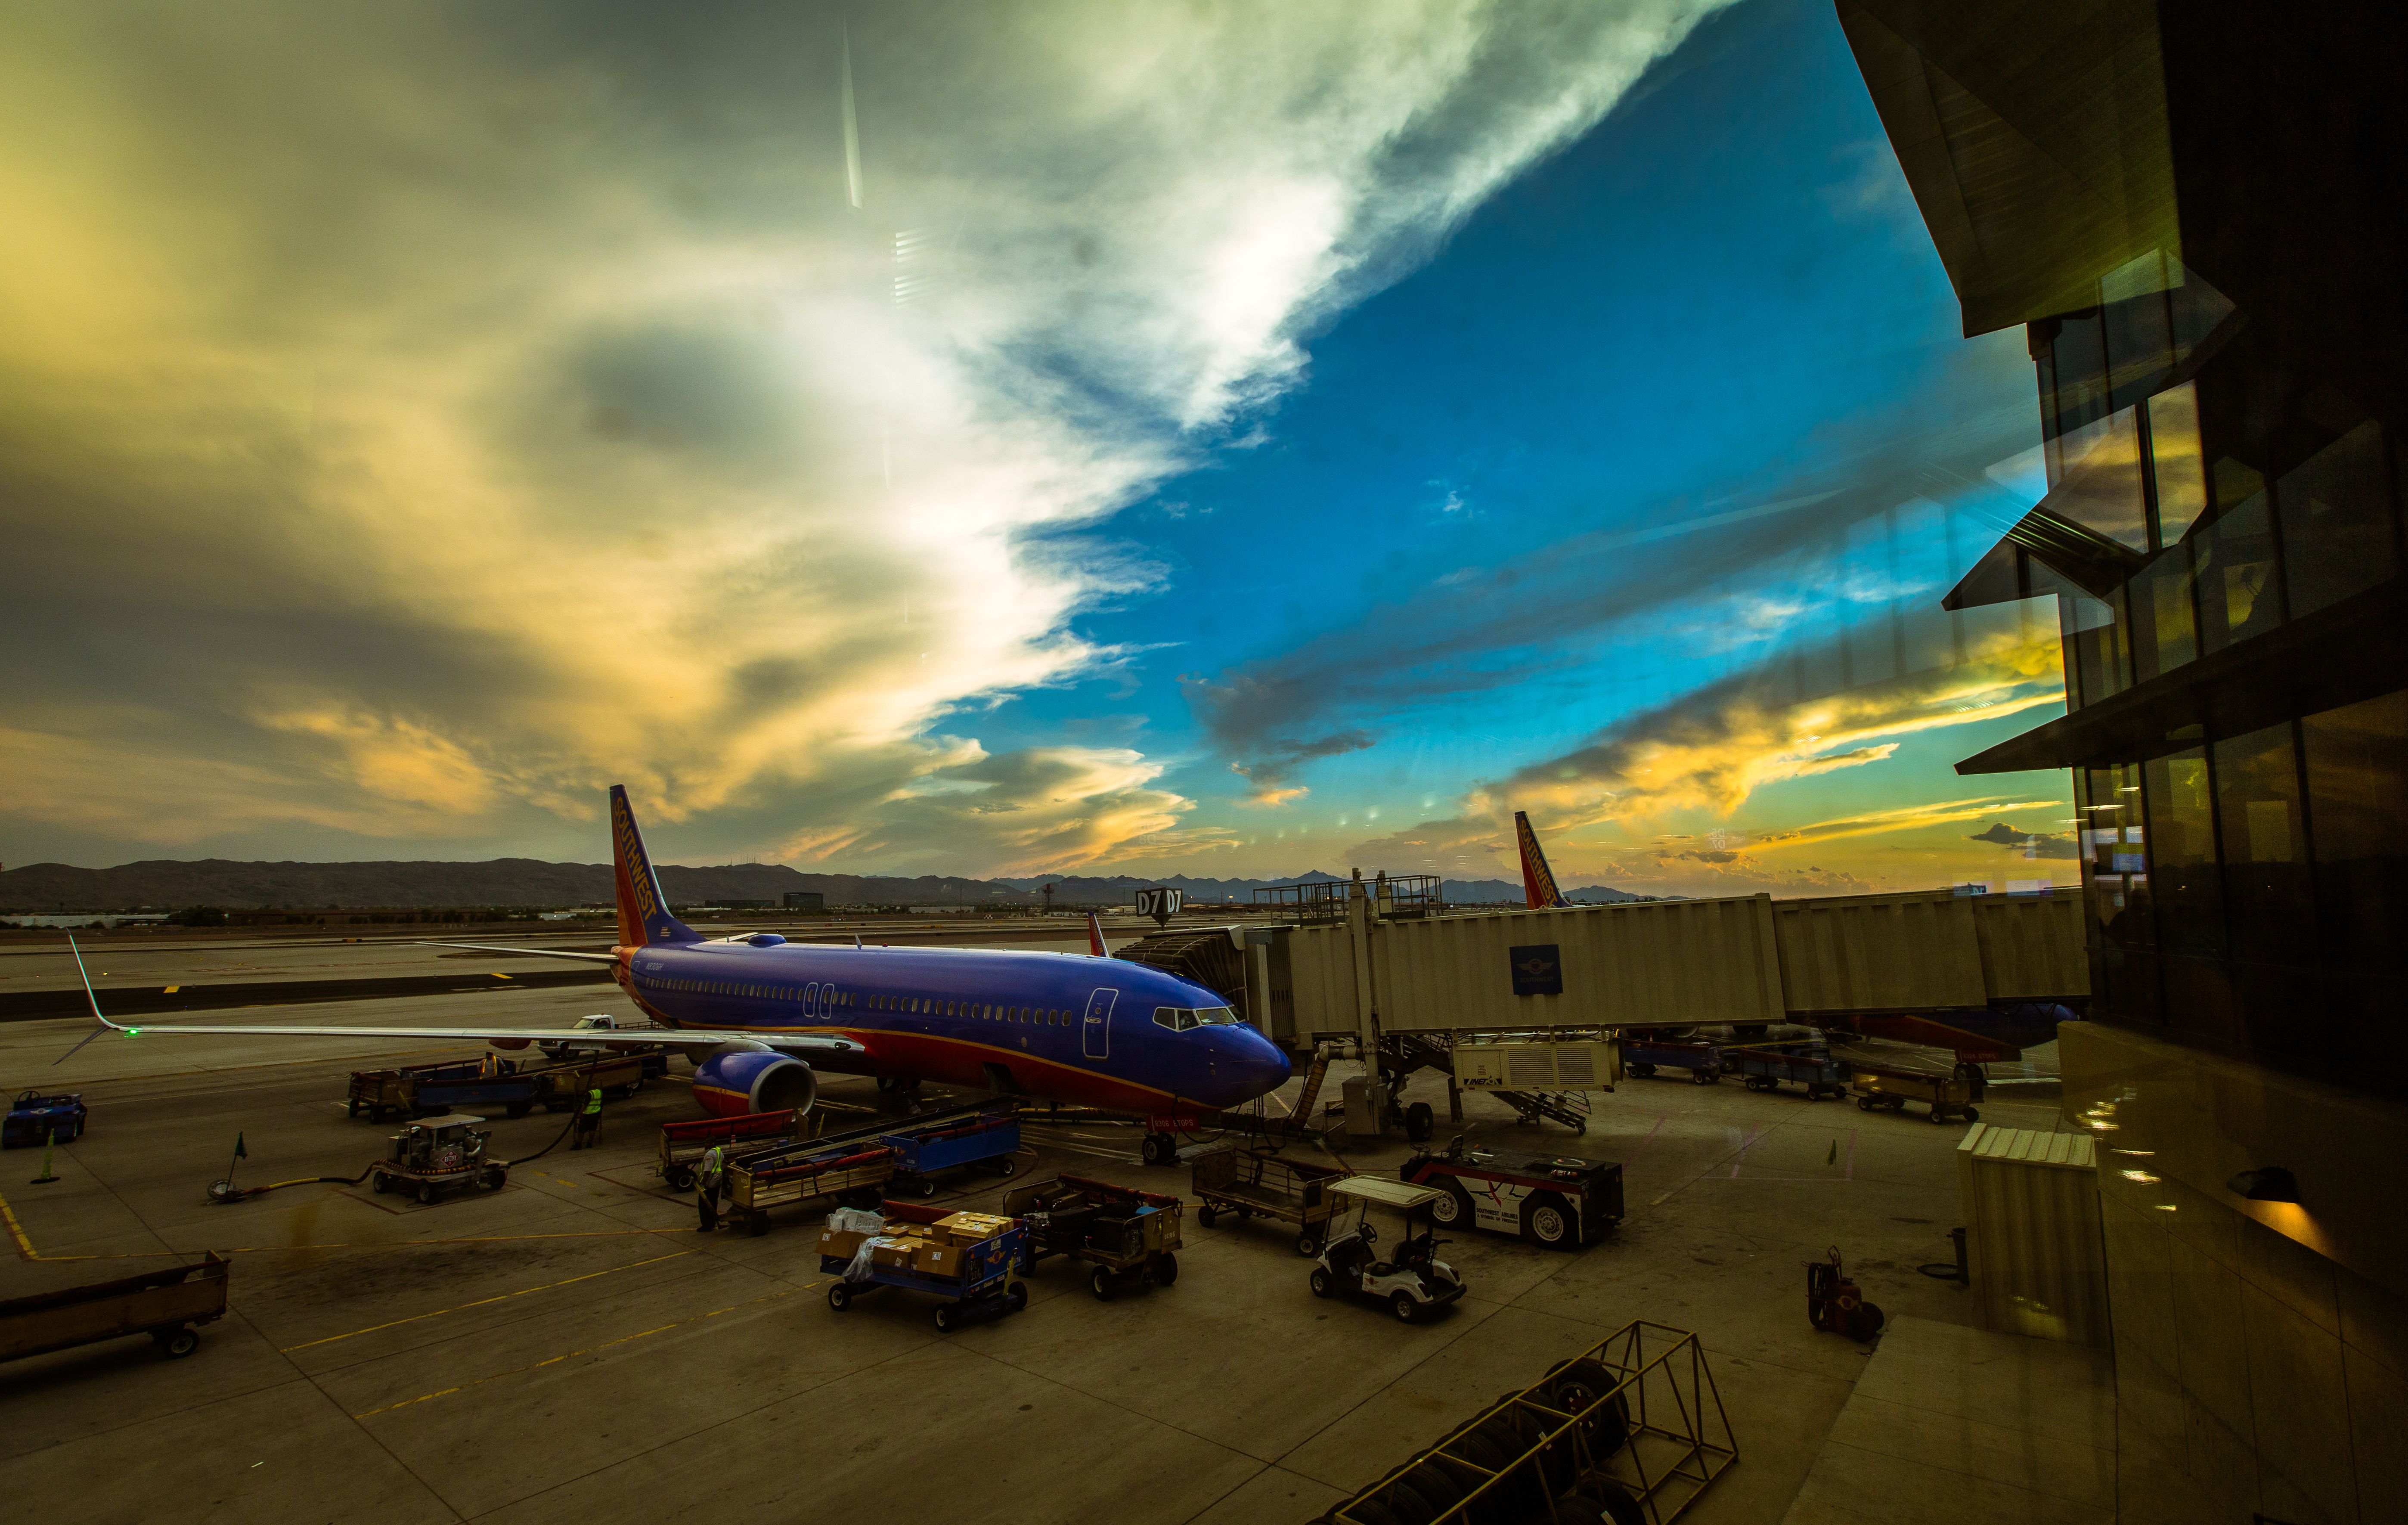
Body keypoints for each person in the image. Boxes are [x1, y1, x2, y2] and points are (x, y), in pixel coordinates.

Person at [695, 1143, 726, 1232]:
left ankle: (707, 1225)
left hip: (710, 1184)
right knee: (713, 1203)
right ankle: (712, 1222)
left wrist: (703, 1183)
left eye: (706, 1142)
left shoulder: (709, 1155)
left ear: (711, 1144)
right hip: (717, 1182)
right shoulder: (719, 1151)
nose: (705, 1144)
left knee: (704, 1206)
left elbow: (707, 1171)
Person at [570, 1086, 604, 1150]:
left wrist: (579, 1114)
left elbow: (584, 1105)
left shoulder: (589, 1094)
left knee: (581, 1130)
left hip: (587, 1115)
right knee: (592, 1129)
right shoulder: (600, 1092)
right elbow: (602, 1103)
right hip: (596, 1114)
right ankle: (590, 1144)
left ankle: (578, 1144)